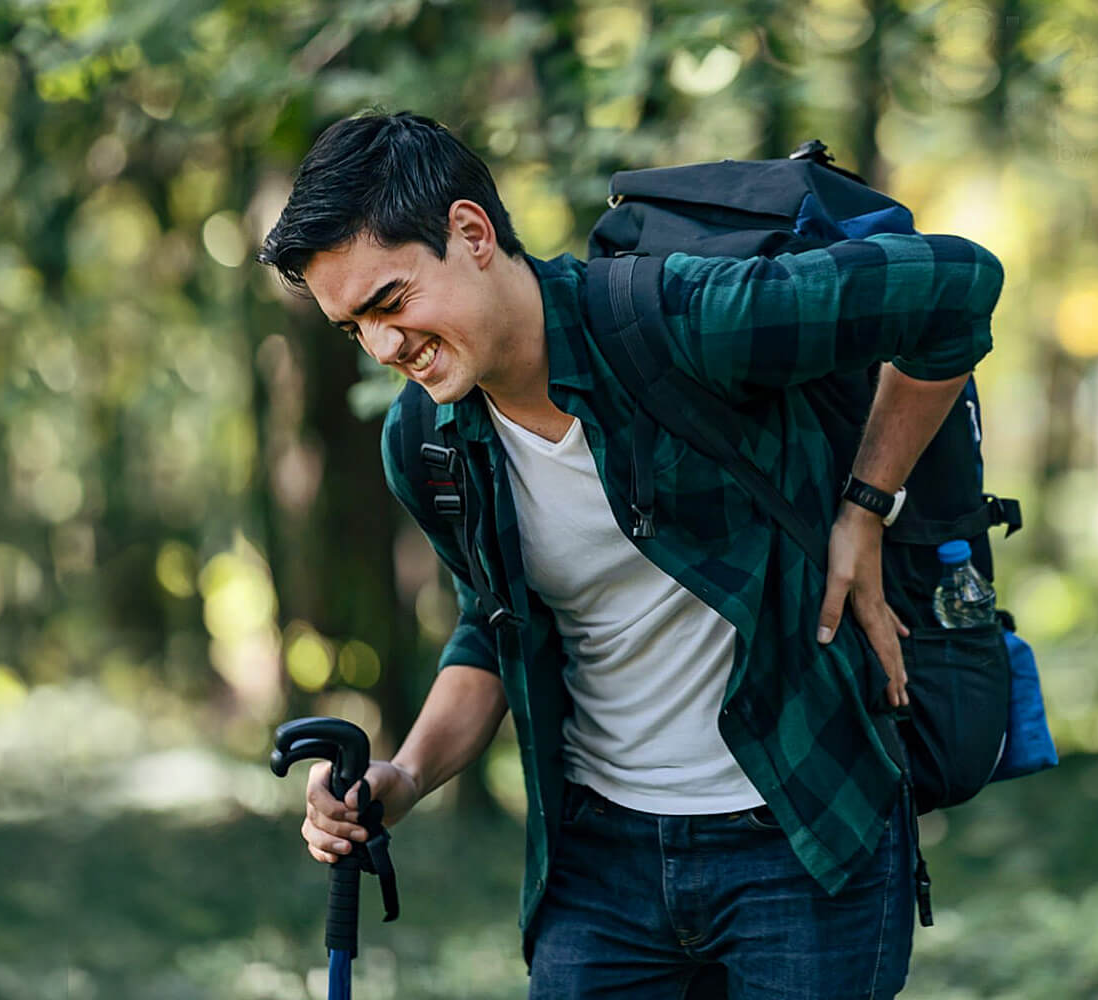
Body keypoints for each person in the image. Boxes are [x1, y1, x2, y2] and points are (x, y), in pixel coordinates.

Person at [258, 110, 1000, 999]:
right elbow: (494, 625)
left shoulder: (683, 323)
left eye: (390, 301)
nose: (384, 347)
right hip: (599, 866)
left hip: (803, 834)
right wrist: (407, 775)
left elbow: (959, 285)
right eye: (353, 328)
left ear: (472, 233)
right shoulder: (426, 442)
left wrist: (866, 506)